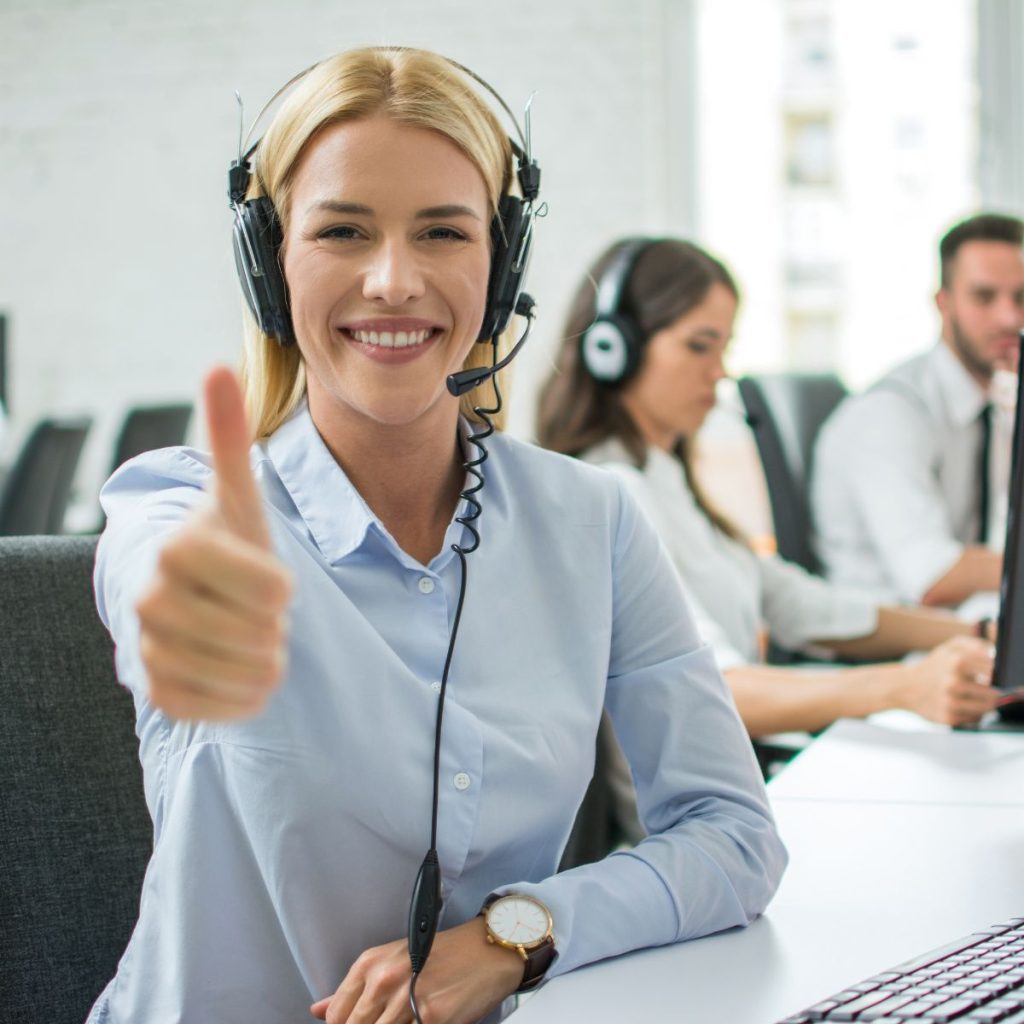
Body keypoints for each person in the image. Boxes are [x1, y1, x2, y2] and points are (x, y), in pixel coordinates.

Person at [89, 50, 785, 1024]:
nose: (392, 279)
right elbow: (160, 586)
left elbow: (732, 837)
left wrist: (516, 931)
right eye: (340, 230)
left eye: (442, 232)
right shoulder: (180, 507)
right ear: (268, 260)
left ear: (499, 264)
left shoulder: (592, 523)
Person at [536, 237, 1001, 744]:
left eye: (724, 349)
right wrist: (904, 686)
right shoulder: (613, 494)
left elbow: (802, 605)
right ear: (612, 349)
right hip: (698, 810)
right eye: (698, 345)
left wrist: (981, 636)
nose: (719, 373)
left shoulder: (667, 483)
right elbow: (710, 689)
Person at [812, 213, 1024, 607]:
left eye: (1021, 298)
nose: (1009, 318)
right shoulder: (889, 415)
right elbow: (933, 576)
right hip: (891, 636)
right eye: (984, 297)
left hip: (960, 625)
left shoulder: (996, 404)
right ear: (943, 303)